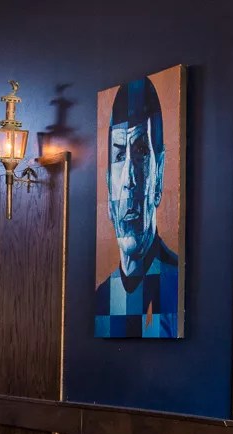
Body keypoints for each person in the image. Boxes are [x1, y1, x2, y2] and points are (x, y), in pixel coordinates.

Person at [94, 77, 179, 338]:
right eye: (120, 155)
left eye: (141, 151)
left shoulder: (176, 284)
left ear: (158, 174)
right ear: (108, 183)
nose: (129, 179)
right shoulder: (101, 299)